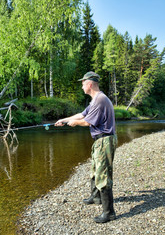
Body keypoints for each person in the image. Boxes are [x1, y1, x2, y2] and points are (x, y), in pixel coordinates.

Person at [55, 71, 117, 223]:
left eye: (83, 83)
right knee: (95, 169)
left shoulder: (100, 100)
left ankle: (109, 213)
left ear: (89, 84)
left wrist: (75, 123)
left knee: (103, 175)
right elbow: (82, 115)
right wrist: (64, 119)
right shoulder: (95, 100)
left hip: (105, 140)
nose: (82, 86)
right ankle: (96, 197)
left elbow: (87, 122)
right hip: (100, 140)